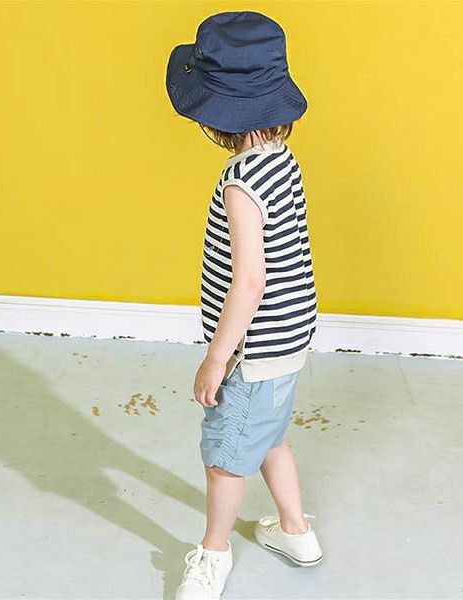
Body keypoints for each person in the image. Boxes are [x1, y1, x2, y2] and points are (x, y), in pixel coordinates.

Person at [166, 11, 323, 599]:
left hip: (252, 352)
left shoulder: (240, 185)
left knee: (225, 458)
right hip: (290, 338)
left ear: (213, 115)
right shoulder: (281, 160)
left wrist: (217, 358)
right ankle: (295, 531)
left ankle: (213, 554)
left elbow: (249, 282)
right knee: (270, 437)